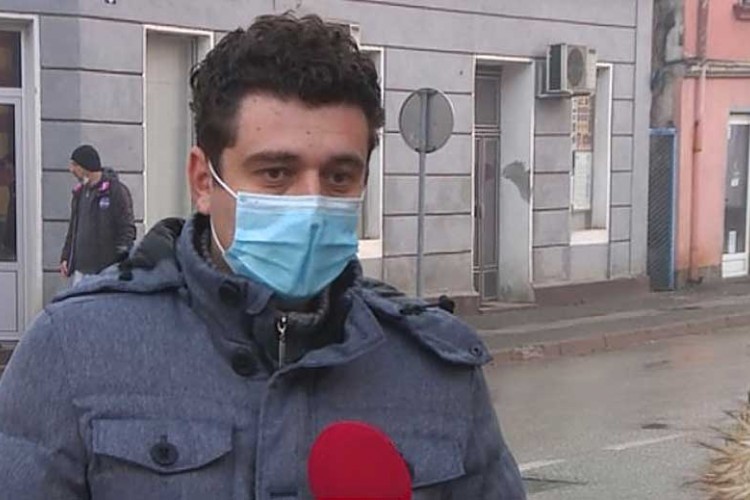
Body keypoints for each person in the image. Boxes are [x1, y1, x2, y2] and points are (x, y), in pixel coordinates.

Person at [0, 14, 526, 499]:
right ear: (203, 181)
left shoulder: (437, 372)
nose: (312, 204)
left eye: (339, 176)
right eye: (276, 173)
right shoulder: (74, 351)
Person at [59, 144, 135, 285]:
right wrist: (66, 257)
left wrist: (120, 262)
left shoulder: (115, 191)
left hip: (106, 271)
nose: (71, 170)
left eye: (75, 165)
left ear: (86, 166)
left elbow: (127, 229)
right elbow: (73, 229)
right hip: (81, 271)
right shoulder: (80, 193)